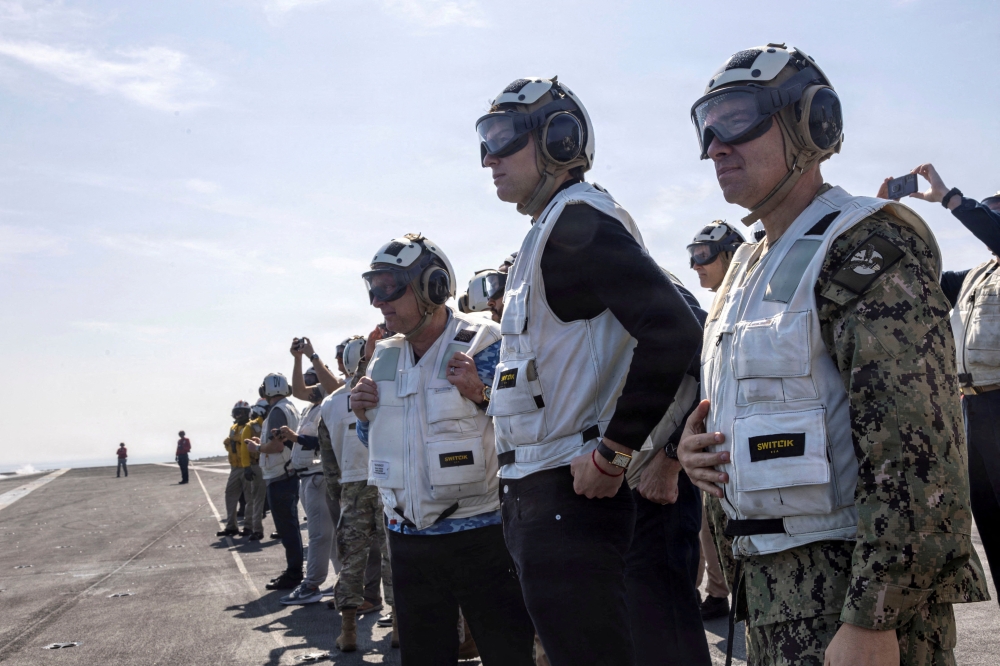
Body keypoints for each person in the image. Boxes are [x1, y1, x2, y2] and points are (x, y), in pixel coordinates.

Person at [678, 44, 988, 666]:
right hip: (769, 594)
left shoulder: (867, 241)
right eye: (706, 127)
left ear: (810, 124)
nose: (715, 145)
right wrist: (698, 452)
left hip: (850, 598)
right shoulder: (744, 268)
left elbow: (916, 449)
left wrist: (875, 617)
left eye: (736, 118)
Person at [475, 76, 702, 666]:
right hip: (545, 492)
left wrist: (615, 453)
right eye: (484, 140)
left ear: (558, 139)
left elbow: (675, 331)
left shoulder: (579, 223)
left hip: (572, 497)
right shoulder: (548, 229)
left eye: (502, 138)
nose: (488, 157)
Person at [351, 233, 535, 665]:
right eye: (372, 289)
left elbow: (529, 423)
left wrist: (480, 392)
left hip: (482, 534)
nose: (379, 301)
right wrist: (363, 418)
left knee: (508, 654)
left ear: (432, 286)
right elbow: (378, 439)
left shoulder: (486, 342)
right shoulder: (381, 358)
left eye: (388, 287)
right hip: (408, 540)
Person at [877, 164, 1000, 604]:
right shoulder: (975, 277)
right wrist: (887, 217)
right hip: (973, 409)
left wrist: (950, 199)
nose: (990, 219)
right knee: (989, 522)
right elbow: (919, 275)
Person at [623, 271, 712, 666]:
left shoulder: (650, 284)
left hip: (654, 487)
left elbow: (713, 371)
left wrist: (670, 459)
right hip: (615, 487)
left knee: (666, 629)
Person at [321, 334, 397, 651]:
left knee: (351, 559)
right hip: (386, 481)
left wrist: (337, 494)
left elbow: (328, 464)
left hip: (351, 487)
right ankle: (398, 626)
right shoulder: (384, 389)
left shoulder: (329, 404)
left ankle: (349, 630)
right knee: (392, 554)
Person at [687, 220, 744, 621]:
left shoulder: (748, 299)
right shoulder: (718, 308)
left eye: (703, 254)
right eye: (692, 255)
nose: (696, 264)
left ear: (731, 252)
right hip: (716, 451)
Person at [271, 342, 341, 606]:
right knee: (329, 536)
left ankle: (312, 584)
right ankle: (341, 581)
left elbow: (326, 443)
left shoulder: (333, 400)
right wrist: (298, 358)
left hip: (318, 475)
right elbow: (299, 390)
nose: (310, 383)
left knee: (320, 535)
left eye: (315, 376)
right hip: (309, 474)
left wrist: (312, 354)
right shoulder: (313, 405)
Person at [246, 373, 302, 591]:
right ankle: (294, 570)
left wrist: (257, 448)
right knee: (290, 526)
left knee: (287, 528)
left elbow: (277, 446)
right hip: (287, 471)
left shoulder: (278, 411)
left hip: (280, 475)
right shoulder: (290, 407)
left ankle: (294, 573)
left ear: (265, 391)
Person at [218, 401, 252, 537]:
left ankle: (249, 526)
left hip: (248, 465)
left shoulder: (251, 426)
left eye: (241, 412)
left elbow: (245, 440)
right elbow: (230, 444)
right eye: (236, 412)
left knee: (250, 497)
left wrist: (234, 439)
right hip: (235, 467)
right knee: (230, 494)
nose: (238, 415)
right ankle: (231, 526)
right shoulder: (233, 427)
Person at [242, 400, 269, 541]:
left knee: (256, 499)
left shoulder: (267, 424)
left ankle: (250, 526)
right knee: (257, 498)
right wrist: (246, 467)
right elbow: (244, 447)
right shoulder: (253, 426)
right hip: (258, 466)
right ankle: (256, 529)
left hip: (265, 465)